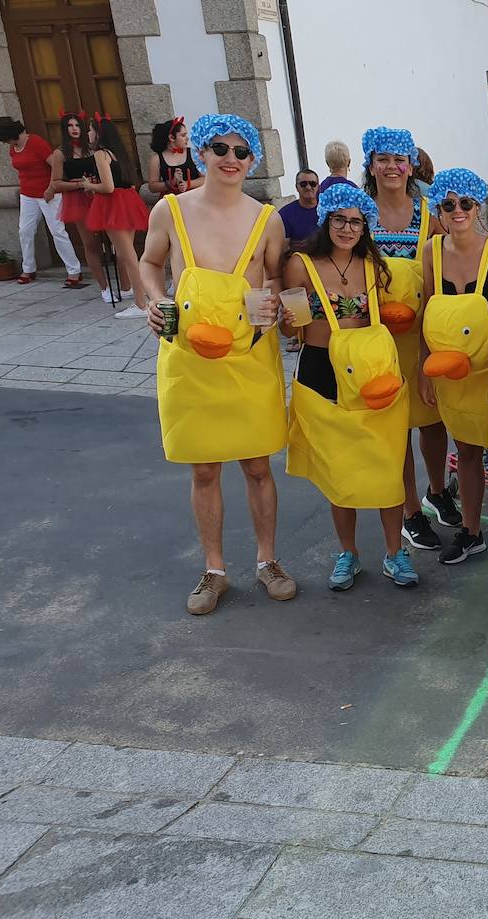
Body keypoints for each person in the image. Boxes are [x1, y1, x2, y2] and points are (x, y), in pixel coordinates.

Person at [140, 113, 296, 616]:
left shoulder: (266, 218)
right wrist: (154, 300)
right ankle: (214, 570)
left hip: (248, 356)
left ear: (252, 160)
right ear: (200, 153)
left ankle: (268, 561)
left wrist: (274, 305)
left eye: (241, 152)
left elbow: (275, 277)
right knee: (204, 468)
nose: (231, 159)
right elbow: (148, 263)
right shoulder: (170, 211)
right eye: (220, 149)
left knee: (256, 465)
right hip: (189, 358)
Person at [282, 182, 415, 590]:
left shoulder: (374, 265)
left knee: (387, 465)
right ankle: (349, 553)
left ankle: (396, 552)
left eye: (356, 222)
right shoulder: (301, 264)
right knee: (339, 469)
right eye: (339, 219)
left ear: (365, 227)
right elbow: (293, 326)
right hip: (321, 370)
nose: (347, 228)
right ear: (326, 219)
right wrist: (286, 316)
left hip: (373, 371)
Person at [361, 126, 458, 553]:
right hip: (377, 336)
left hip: (422, 333)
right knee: (395, 425)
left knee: (434, 420)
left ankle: (437, 491)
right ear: (371, 164)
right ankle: (409, 512)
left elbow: (448, 264)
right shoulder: (360, 215)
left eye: (400, 159)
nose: (392, 167)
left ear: (411, 164)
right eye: (383, 159)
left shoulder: (430, 212)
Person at [418, 168, 488, 565]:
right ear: (439, 210)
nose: (457, 211)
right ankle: (472, 530)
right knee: (468, 452)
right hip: (451, 378)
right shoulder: (432, 251)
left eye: (466, 203)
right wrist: (424, 364)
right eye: (448, 204)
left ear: (479, 206)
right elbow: (429, 306)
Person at [0, 116, 84, 287]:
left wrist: (51, 188)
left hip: (48, 193)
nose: (3, 143)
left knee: (57, 231)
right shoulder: (13, 146)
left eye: (1, 138)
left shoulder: (36, 143)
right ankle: (29, 268)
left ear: (8, 134)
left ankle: (74, 271)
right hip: (27, 194)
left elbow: (54, 165)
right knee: (25, 231)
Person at [84, 115, 152, 319]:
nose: (88, 133)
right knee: (127, 254)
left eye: (90, 129)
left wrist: (88, 186)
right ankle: (141, 295)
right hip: (127, 200)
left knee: (128, 256)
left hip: (113, 203)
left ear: (98, 132)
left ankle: (141, 304)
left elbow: (107, 187)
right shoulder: (118, 153)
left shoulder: (100, 154)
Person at [52, 111, 124, 301]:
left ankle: (125, 284)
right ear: (64, 129)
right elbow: (56, 183)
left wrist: (94, 184)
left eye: (77, 125)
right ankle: (104, 288)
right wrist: (79, 184)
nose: (75, 129)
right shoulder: (60, 154)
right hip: (78, 201)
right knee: (91, 244)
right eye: (70, 126)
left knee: (115, 241)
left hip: (99, 196)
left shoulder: (94, 150)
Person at [146, 117, 204, 197]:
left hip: (194, 199)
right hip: (171, 201)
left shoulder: (193, 153)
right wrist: (171, 183)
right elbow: (152, 187)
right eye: (183, 135)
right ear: (171, 138)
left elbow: (205, 179)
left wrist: (187, 184)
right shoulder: (156, 159)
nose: (187, 138)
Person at [279, 169, 321, 249]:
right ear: (296, 187)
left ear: (318, 187)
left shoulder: (328, 209)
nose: (308, 187)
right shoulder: (285, 214)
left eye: (313, 184)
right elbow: (282, 247)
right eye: (303, 184)